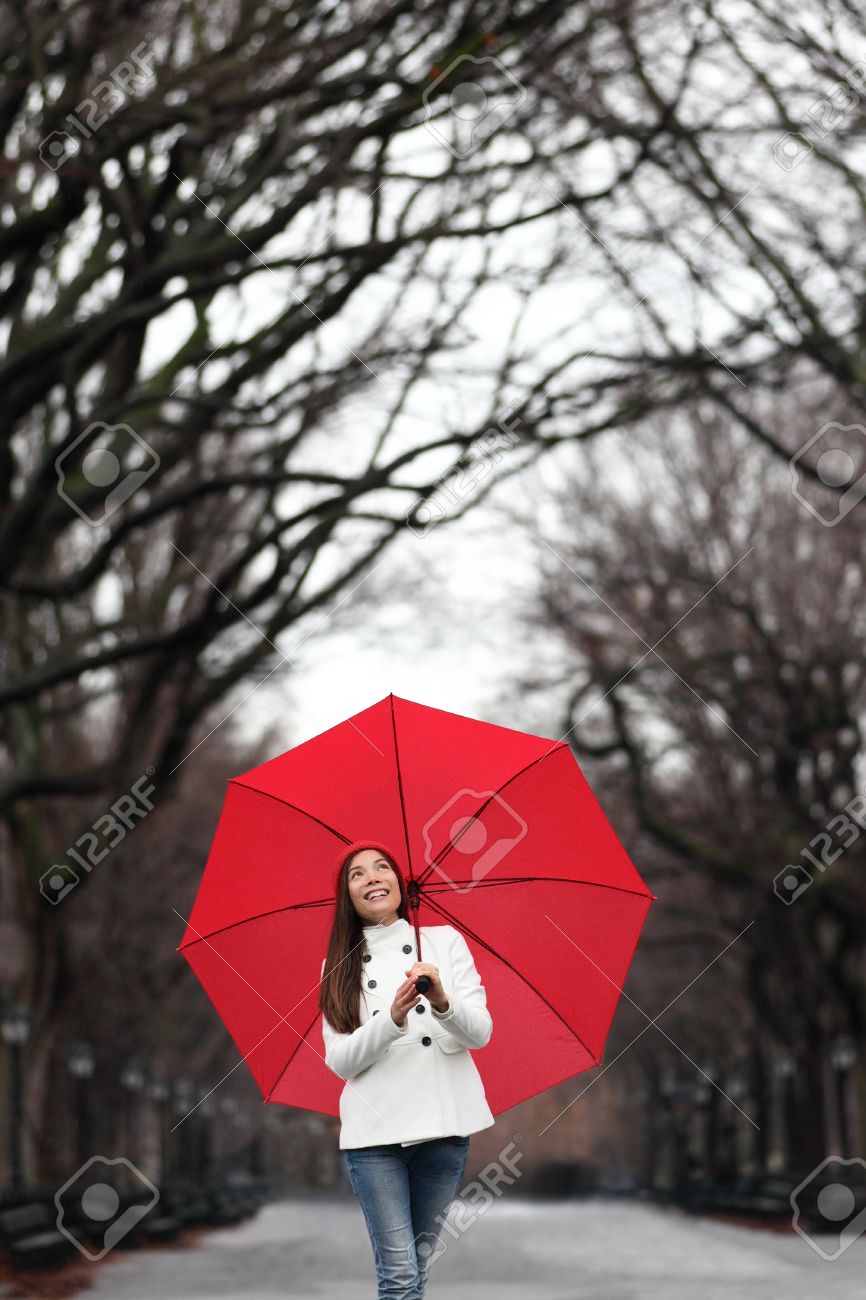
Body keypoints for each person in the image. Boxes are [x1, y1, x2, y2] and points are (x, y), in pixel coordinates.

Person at [318, 839, 495, 1299]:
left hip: (443, 1129)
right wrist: (391, 1020)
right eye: (358, 874)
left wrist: (441, 1002)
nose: (373, 877)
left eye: (382, 868)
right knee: (398, 1273)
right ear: (348, 896)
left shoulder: (443, 943)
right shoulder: (337, 967)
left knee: (417, 1265)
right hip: (374, 1139)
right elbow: (340, 1060)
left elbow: (479, 1034)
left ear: (400, 882)